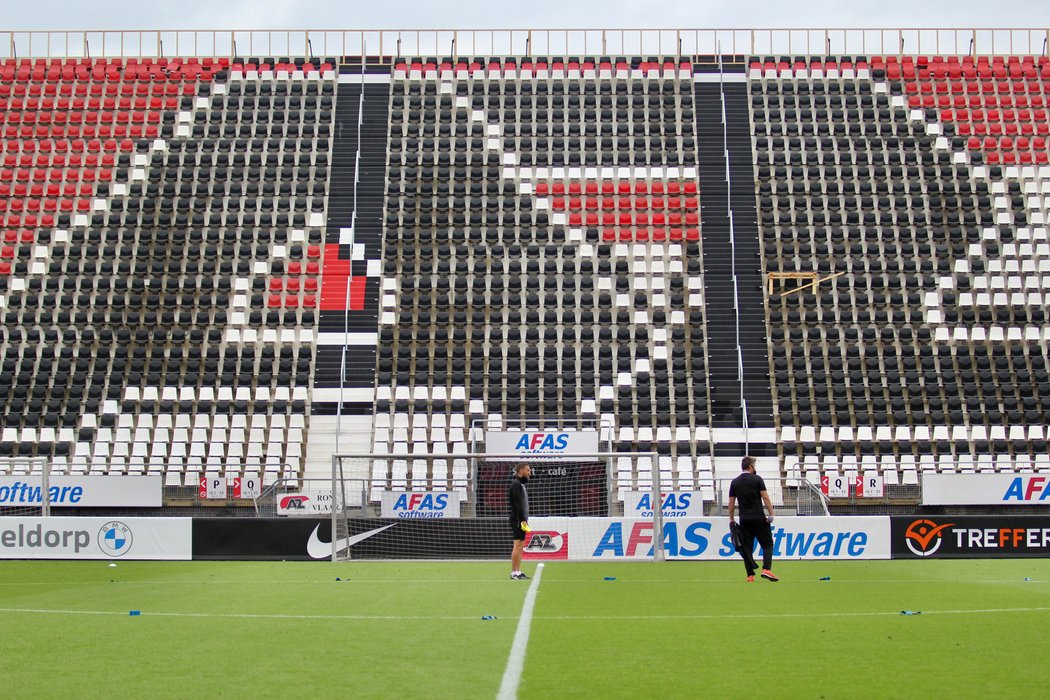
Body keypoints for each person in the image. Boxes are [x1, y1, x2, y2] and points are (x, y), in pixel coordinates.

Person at [728, 456, 779, 582]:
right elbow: (765, 497)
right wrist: (771, 513)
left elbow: (731, 503)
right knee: (767, 544)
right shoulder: (757, 479)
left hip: (744, 519)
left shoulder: (735, 482)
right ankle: (766, 569)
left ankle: (750, 575)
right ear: (751, 467)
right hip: (758, 517)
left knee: (747, 547)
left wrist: (731, 518)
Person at [508, 462, 532, 580]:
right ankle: (513, 572)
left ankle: (518, 571)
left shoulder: (520, 484)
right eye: (527, 470)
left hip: (521, 519)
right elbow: (518, 505)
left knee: (520, 546)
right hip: (518, 519)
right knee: (517, 546)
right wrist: (522, 520)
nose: (529, 472)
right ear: (521, 470)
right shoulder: (516, 484)